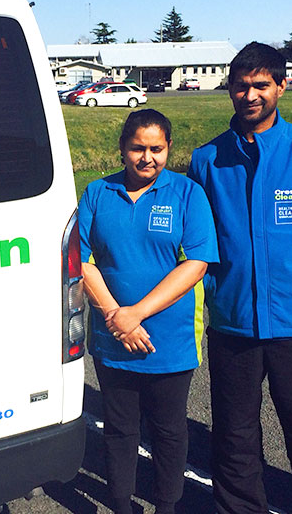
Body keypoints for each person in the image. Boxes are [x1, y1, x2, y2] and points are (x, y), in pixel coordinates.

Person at [187, 41, 292, 514]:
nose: (250, 95)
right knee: (234, 439)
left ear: (281, 86)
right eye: (240, 86)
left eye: (260, 85)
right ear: (229, 90)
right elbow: (199, 241)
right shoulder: (206, 160)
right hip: (232, 323)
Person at [78, 109, 219, 514]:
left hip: (168, 341)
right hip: (112, 338)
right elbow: (83, 260)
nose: (147, 158)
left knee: (169, 431)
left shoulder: (188, 194)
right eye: (137, 148)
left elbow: (197, 263)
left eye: (156, 149)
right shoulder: (97, 193)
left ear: (168, 148)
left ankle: (166, 505)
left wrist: (135, 313)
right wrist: (116, 316)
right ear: (122, 148)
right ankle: (121, 503)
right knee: (120, 429)